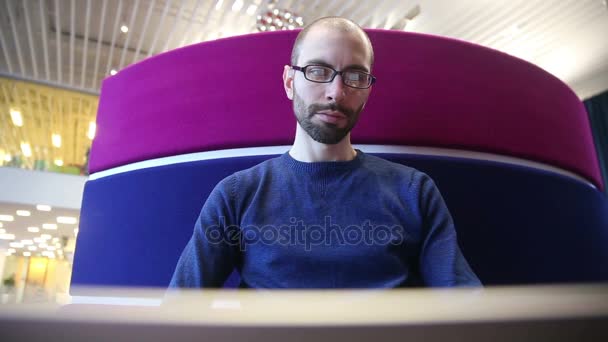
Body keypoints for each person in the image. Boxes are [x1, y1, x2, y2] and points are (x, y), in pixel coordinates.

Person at [169, 17, 481, 288]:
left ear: (367, 92)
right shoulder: (236, 196)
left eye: (356, 77)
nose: (336, 92)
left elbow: (468, 310)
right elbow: (178, 314)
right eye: (319, 71)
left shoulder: (414, 191)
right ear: (290, 82)